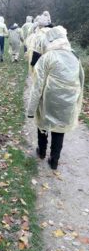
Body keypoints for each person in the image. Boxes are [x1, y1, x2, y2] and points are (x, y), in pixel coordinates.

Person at [27, 26, 84, 170]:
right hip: (68, 100)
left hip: (49, 99)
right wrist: (77, 101)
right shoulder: (75, 56)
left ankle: (41, 151)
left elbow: (37, 86)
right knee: (60, 128)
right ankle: (54, 159)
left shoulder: (47, 57)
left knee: (43, 123)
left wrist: (31, 110)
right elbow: (81, 81)